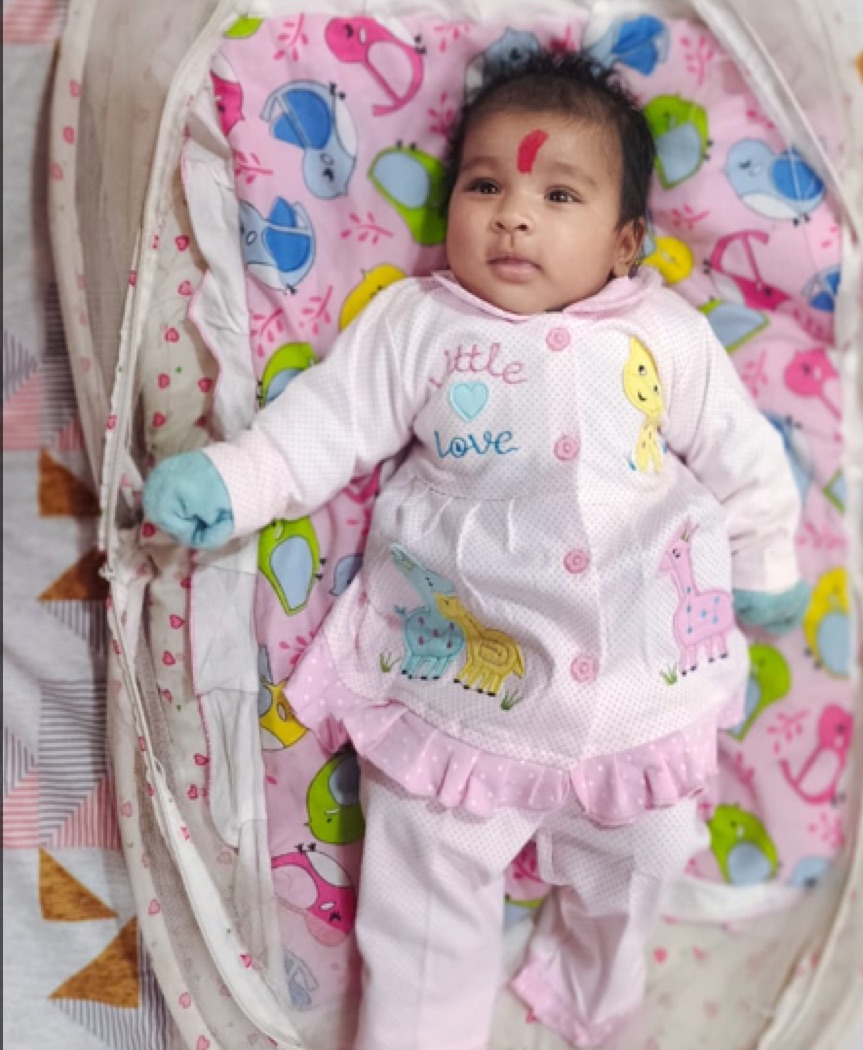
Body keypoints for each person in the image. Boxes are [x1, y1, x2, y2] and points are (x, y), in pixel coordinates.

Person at [145, 49, 810, 1050]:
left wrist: (765, 564)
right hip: (462, 677)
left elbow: (742, 449)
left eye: (559, 195)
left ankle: (591, 995)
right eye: (484, 185)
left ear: (626, 241)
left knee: (649, 848)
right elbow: (322, 427)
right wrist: (235, 481)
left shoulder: (663, 334)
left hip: (639, 680)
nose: (513, 217)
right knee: (423, 879)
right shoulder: (419, 323)